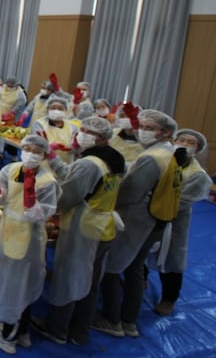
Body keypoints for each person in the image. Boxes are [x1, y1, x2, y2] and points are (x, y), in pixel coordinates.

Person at [31, 116, 125, 346]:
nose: (81, 133)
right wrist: (52, 157)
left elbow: (66, 197)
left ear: (102, 138)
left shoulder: (89, 163)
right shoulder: (112, 158)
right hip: (103, 227)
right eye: (81, 129)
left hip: (82, 228)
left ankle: (57, 328)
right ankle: (80, 330)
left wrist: (41, 202)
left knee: (68, 277)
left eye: (88, 131)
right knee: (89, 283)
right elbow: (76, 177)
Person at [93, 109, 181, 339]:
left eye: (150, 128)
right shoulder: (170, 152)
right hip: (158, 219)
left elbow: (129, 192)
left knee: (112, 267)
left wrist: (104, 195)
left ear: (166, 132)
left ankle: (111, 318)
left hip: (137, 219)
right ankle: (129, 320)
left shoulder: (152, 158)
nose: (142, 132)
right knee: (135, 269)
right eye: (142, 126)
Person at [0, 134, 59, 354]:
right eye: (27, 148)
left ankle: (7, 335)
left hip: (29, 240)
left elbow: (45, 212)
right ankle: (22, 331)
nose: (31, 154)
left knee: (18, 287)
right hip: (8, 233)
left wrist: (30, 199)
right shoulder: (11, 169)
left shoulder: (46, 181)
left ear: (44, 154)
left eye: (37, 150)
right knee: (11, 284)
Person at [150, 129, 212, 316]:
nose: (184, 144)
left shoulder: (197, 175)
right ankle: (141, 280)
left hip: (174, 221)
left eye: (190, 142)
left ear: (198, 148)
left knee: (171, 259)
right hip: (150, 214)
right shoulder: (163, 160)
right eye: (181, 139)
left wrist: (153, 202)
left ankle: (169, 298)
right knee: (142, 252)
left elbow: (181, 201)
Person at [31, 94, 78, 164]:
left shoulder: (72, 127)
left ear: (65, 110)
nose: (56, 111)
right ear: (48, 109)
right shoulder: (39, 124)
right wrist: (48, 146)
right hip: (43, 164)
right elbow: (35, 144)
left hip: (65, 165)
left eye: (60, 108)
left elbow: (77, 149)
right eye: (53, 108)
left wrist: (74, 147)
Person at [109, 102, 143, 167]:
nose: (125, 118)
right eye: (122, 116)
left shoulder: (144, 138)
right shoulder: (113, 133)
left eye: (129, 116)